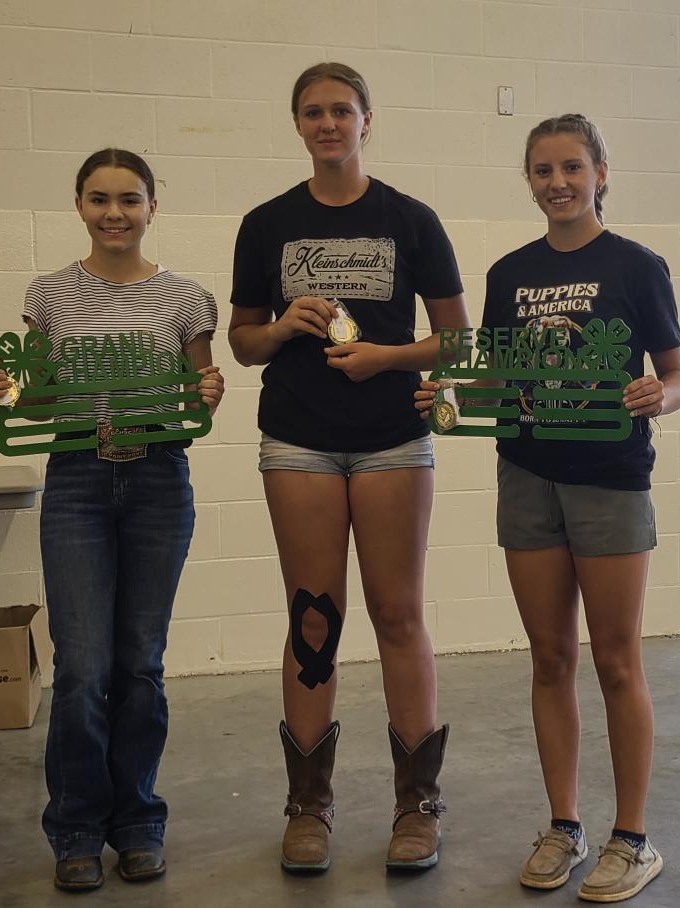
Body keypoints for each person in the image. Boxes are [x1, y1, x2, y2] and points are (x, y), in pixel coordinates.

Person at [417, 113, 680, 903]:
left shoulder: (638, 266)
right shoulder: (509, 274)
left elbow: (676, 377)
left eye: (572, 167)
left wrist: (658, 397)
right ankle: (565, 826)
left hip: (610, 476)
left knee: (615, 660)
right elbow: (501, 380)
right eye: (543, 171)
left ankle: (632, 839)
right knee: (549, 659)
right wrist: (448, 394)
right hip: (527, 475)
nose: (558, 183)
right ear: (529, 180)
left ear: (601, 171)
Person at [227, 62, 471, 874]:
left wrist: (385, 358)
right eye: (312, 112)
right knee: (313, 621)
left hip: (393, 440)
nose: (328, 124)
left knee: (398, 614)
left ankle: (418, 805)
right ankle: (308, 806)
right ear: (297, 124)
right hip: (297, 441)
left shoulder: (412, 219)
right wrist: (283, 326)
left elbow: (455, 340)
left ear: (369, 119)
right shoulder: (265, 224)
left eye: (341, 110)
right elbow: (242, 342)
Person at [0, 149, 225, 893]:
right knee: (83, 669)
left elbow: (198, 396)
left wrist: (207, 393)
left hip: (157, 480)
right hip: (78, 480)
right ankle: (77, 828)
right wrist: (3, 395)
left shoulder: (187, 299)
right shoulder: (49, 295)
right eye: (99, 198)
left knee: (140, 664)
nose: (115, 212)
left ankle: (139, 821)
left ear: (152, 207)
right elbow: (39, 398)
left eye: (130, 198)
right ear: (79, 205)